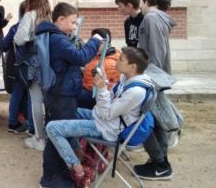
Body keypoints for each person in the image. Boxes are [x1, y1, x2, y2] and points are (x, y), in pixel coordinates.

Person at [46, 47, 152, 188]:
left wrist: (102, 89)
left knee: (52, 128)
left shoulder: (136, 91)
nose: (116, 61)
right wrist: (106, 85)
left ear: (132, 67)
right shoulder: (127, 79)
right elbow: (111, 102)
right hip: (104, 119)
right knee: (69, 110)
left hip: (108, 129)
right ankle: (80, 153)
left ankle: (78, 171)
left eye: (121, 59)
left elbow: (107, 114)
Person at [40, 3, 102, 188]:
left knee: (60, 134)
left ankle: (57, 178)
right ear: (60, 19)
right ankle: (54, 180)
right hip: (61, 94)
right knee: (57, 136)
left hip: (62, 92)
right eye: (73, 23)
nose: (75, 27)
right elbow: (80, 57)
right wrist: (95, 41)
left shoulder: (57, 37)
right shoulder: (58, 39)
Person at [133, 0, 176, 180]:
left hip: (151, 78)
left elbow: (156, 54)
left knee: (146, 120)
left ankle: (161, 164)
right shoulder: (158, 18)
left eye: (142, 1)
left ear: (148, 0)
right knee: (154, 120)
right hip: (153, 77)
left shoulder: (151, 18)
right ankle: (158, 160)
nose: (140, 6)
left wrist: (148, 78)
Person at [14, 0, 52, 151]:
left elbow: (19, 39)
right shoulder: (49, 15)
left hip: (33, 63)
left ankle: (39, 138)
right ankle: (48, 134)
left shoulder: (30, 15)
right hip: (49, 62)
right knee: (48, 100)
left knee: (36, 100)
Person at [3, 1, 33, 134]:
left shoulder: (15, 28)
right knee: (29, 94)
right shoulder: (35, 28)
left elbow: (4, 46)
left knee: (18, 93)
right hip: (30, 66)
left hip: (17, 66)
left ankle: (14, 122)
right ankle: (22, 123)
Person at [78, 28, 121, 110]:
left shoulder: (109, 63)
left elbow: (101, 87)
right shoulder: (102, 55)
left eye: (95, 42)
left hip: (95, 96)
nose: (92, 45)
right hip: (90, 89)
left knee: (69, 95)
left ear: (104, 43)